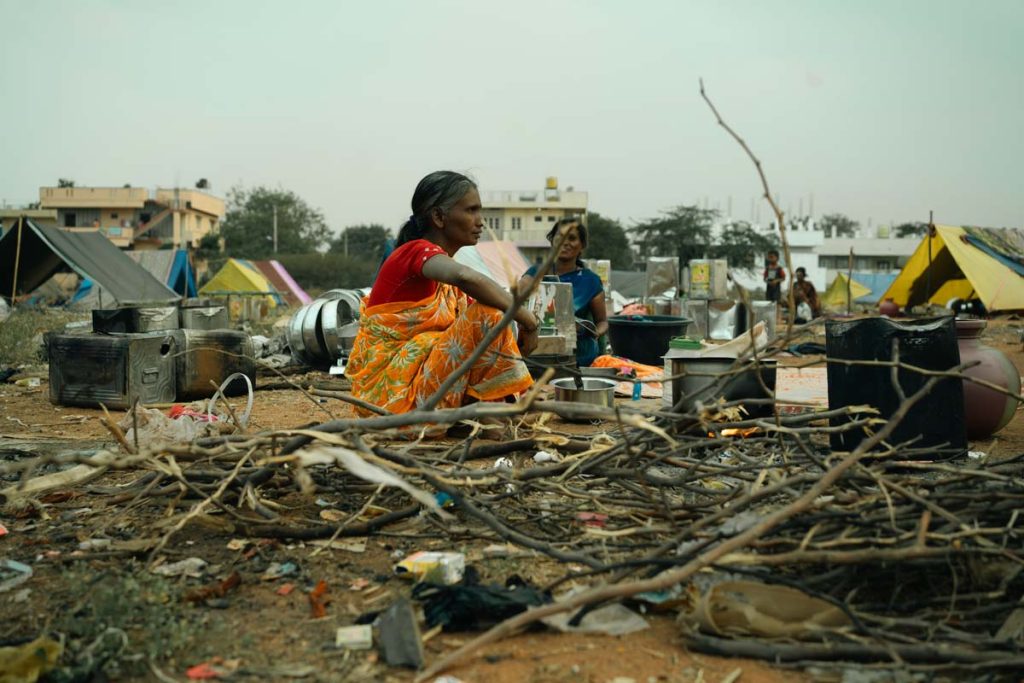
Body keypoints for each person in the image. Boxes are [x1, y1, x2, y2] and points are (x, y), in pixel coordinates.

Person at [345, 171, 539, 416]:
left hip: (424, 392)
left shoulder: (447, 284)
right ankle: (492, 412)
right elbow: (467, 278)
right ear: (438, 216)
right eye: (471, 210)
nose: (480, 221)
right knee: (487, 313)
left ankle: (491, 410)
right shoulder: (413, 252)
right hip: (391, 401)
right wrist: (528, 321)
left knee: (488, 312)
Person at [519, 217, 608, 367]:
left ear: (582, 245)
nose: (565, 242)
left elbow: (602, 321)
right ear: (552, 241)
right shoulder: (536, 272)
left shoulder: (590, 281)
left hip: (579, 357)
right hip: (538, 355)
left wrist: (595, 332)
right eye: (560, 237)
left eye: (572, 238)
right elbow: (518, 298)